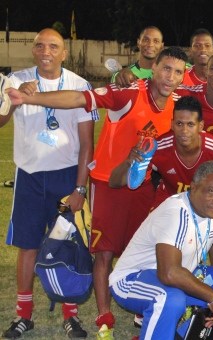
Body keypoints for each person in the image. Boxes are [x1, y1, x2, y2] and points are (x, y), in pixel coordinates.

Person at [7, 46, 188, 339]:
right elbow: (79, 98)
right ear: (152, 68)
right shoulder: (128, 93)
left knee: (141, 251)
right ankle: (104, 318)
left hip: (143, 186)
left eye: (178, 71)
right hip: (107, 183)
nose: (171, 77)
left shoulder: (178, 103)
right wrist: (30, 97)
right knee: (104, 253)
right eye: (166, 68)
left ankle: (142, 312)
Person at [0, 28, 96, 339]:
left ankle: (71, 315)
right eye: (40, 45)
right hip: (29, 175)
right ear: (33, 50)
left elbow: (86, 144)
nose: (46, 51)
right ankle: (23, 315)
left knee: (67, 243)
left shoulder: (79, 85)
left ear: (64, 53)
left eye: (54, 46)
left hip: (66, 176)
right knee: (27, 245)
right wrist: (14, 101)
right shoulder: (15, 80)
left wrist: (79, 188)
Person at [108, 161, 213, 340]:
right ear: (193, 187)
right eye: (211, 191)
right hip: (133, 278)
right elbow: (168, 273)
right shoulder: (176, 211)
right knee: (170, 299)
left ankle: (189, 337)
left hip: (182, 273)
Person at [109, 96, 213, 208]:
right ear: (172, 124)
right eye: (179, 124)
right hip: (170, 205)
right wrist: (128, 163)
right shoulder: (159, 148)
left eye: (190, 124)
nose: (184, 130)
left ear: (200, 126)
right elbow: (114, 183)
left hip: (204, 206)